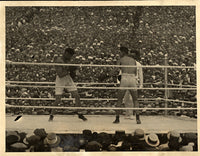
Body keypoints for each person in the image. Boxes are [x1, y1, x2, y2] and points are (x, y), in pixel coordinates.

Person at [49, 48, 87, 121]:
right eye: (70, 55)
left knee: (77, 96)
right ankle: (51, 116)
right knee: (58, 99)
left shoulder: (68, 60)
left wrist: (75, 70)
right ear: (66, 53)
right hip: (60, 80)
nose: (71, 57)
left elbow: (73, 69)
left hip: (68, 78)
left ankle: (79, 113)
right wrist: (70, 70)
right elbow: (60, 74)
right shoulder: (59, 61)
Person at [113, 46, 141, 124]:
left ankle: (117, 119)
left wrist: (108, 74)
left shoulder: (121, 60)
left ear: (123, 52)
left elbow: (116, 69)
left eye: (120, 52)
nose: (119, 54)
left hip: (125, 77)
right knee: (135, 100)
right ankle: (138, 119)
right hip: (132, 78)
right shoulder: (133, 60)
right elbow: (135, 72)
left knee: (119, 99)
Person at [119, 50, 143, 119]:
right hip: (125, 81)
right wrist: (119, 81)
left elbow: (140, 75)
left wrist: (141, 84)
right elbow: (121, 73)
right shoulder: (125, 63)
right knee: (126, 98)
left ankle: (132, 114)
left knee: (132, 98)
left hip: (134, 81)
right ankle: (128, 113)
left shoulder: (138, 64)